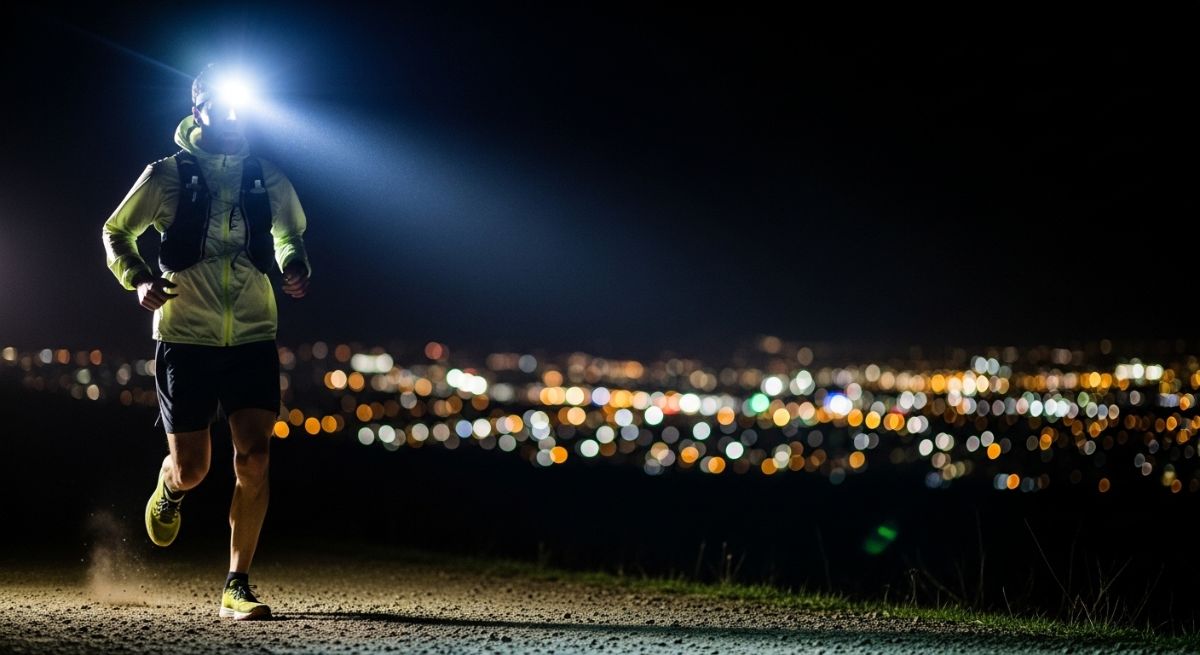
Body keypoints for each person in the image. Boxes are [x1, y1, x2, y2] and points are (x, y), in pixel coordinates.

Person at [101, 62, 311, 621]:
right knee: (194, 468)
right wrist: (140, 278)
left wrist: (294, 263)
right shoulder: (166, 173)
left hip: (252, 334)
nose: (236, 112)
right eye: (223, 101)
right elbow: (115, 230)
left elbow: (290, 231)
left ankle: (236, 584)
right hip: (185, 336)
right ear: (199, 109)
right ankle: (171, 487)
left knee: (256, 457)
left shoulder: (265, 175)